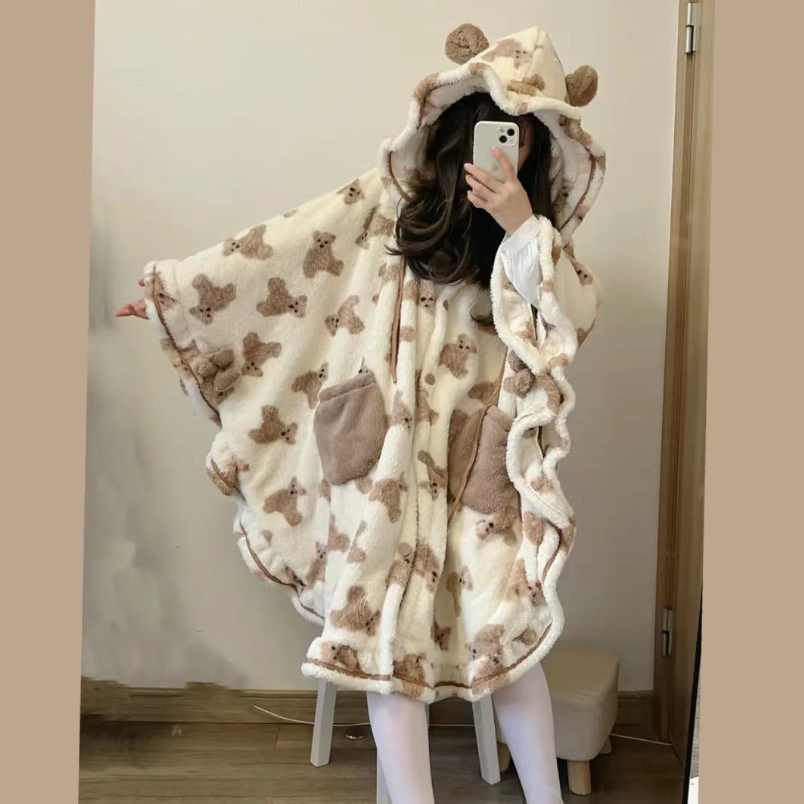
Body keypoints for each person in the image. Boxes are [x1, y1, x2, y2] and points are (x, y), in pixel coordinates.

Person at [118, 23, 604, 804]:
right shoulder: (390, 206)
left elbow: (575, 313)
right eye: (489, 130)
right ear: (455, 131)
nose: (500, 150)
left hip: (479, 472)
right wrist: (176, 295)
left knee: (509, 633)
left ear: (538, 151)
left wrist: (521, 224)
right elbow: (281, 250)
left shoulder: (537, 247)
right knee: (382, 639)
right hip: (380, 467)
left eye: (519, 137)